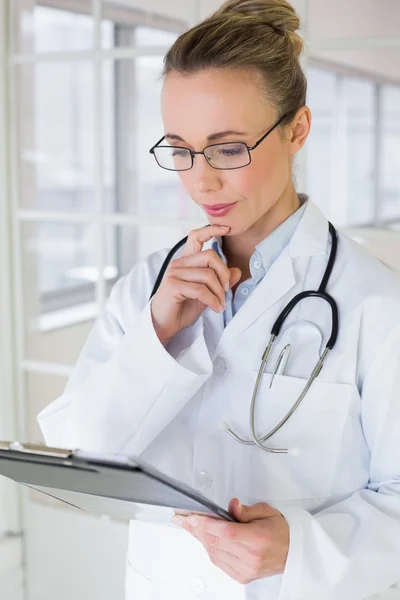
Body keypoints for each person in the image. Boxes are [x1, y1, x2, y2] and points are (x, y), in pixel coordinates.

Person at [38, 0, 400, 598]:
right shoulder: (146, 288)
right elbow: (77, 462)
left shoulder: (375, 305)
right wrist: (156, 335)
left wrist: (302, 546)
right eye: (179, 149)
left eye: (229, 148)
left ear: (297, 129)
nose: (200, 179)